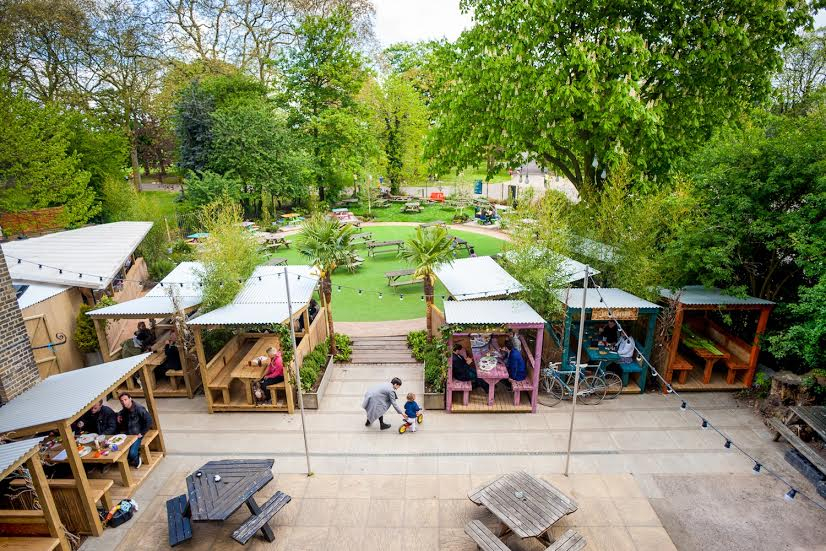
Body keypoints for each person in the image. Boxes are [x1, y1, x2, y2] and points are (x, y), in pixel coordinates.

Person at [118, 393, 153, 469]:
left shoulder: (139, 409)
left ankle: (137, 460)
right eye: (121, 401)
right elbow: (121, 412)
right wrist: (118, 415)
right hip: (127, 434)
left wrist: (142, 433)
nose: (123, 402)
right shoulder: (125, 409)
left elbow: (149, 421)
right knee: (119, 450)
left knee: (132, 454)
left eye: (125, 399)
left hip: (137, 435)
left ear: (130, 399)